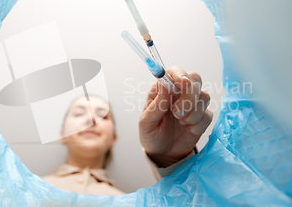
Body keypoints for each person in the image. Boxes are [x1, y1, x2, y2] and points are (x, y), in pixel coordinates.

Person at [43, 67, 213, 195]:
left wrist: (171, 161)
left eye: (103, 116)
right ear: (62, 135)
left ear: (113, 139)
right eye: (79, 113)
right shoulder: (23, 187)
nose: (92, 120)